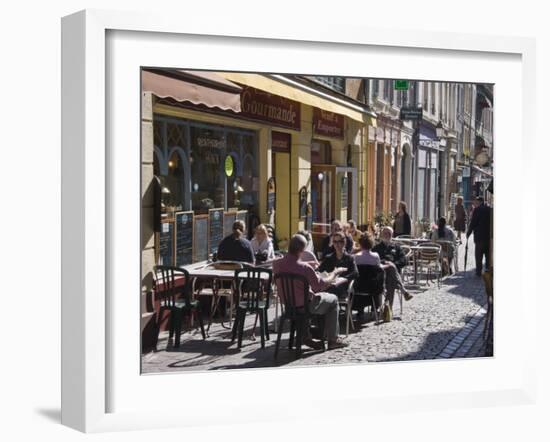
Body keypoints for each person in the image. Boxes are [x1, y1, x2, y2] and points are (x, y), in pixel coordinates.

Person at [272, 235, 349, 350]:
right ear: (303, 250)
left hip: (288, 305)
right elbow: (319, 286)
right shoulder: (305, 268)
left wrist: (308, 266)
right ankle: (333, 339)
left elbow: (291, 266)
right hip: (305, 306)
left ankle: (306, 336)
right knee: (333, 299)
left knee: (306, 296)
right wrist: (335, 272)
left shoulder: (276, 264)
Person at [372, 226, 413, 313]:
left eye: (389, 234)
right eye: (385, 233)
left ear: (392, 235)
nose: (387, 235)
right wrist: (384, 263)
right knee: (390, 271)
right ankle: (403, 291)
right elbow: (373, 260)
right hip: (380, 275)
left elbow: (403, 260)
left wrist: (393, 264)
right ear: (381, 235)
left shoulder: (397, 247)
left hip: (391, 277)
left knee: (391, 274)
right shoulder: (376, 248)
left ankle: (388, 308)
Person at [318, 231, 358, 298]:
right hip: (329, 284)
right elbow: (319, 269)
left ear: (344, 243)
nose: (337, 244)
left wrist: (344, 278)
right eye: (335, 242)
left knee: (330, 290)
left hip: (342, 287)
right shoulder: (329, 257)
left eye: (340, 241)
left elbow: (355, 273)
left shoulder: (349, 258)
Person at [467, 196, 492, 276]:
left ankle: (478, 271)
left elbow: (473, 223)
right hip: (488, 237)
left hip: (479, 237)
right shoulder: (489, 209)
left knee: (479, 255)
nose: (475, 204)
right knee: (488, 255)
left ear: (479, 202)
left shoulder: (477, 210)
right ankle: (488, 270)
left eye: (476, 202)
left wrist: (469, 233)